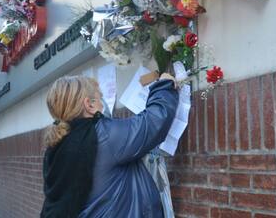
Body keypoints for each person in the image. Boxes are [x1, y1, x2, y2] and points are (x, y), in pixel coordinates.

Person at [41, 74, 178, 218]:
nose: (103, 103)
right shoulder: (102, 135)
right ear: (90, 105)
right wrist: (164, 85)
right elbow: (153, 123)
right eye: (100, 98)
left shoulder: (55, 145)